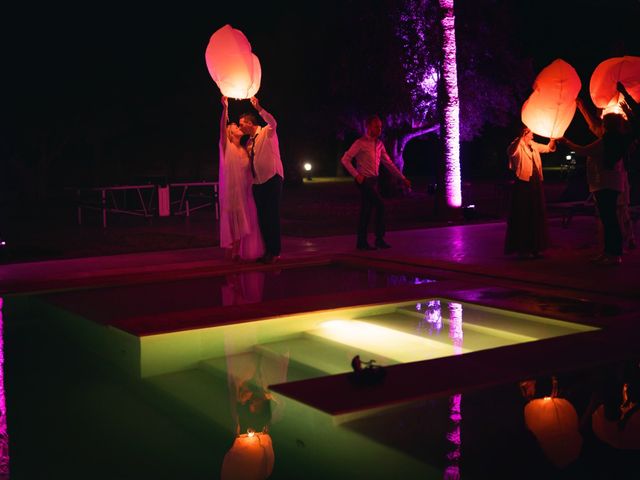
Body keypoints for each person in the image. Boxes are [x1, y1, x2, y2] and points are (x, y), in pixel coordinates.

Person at [559, 113, 631, 265]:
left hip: (604, 184)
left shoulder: (607, 141)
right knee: (609, 219)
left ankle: (613, 254)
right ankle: (609, 252)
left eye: (604, 122)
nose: (602, 124)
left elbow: (583, 150)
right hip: (611, 183)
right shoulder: (617, 140)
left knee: (609, 220)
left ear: (607, 125)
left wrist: (565, 141)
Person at [340, 115, 411, 250]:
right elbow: (345, 159)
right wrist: (356, 175)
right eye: (376, 126)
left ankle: (362, 242)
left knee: (366, 210)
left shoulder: (379, 145)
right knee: (380, 205)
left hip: (374, 181)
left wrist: (402, 178)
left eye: (380, 127)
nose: (379, 129)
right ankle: (379, 239)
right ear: (368, 126)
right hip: (364, 181)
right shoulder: (360, 142)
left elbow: (388, 163)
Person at [218, 96, 264, 261]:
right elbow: (222, 130)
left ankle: (236, 256)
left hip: (244, 194)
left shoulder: (245, 149)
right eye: (234, 126)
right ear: (230, 133)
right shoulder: (227, 147)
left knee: (241, 226)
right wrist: (225, 108)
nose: (237, 126)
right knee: (232, 226)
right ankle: (229, 258)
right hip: (231, 194)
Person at [239, 97, 284, 264]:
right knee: (263, 218)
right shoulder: (250, 142)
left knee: (272, 215)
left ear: (250, 123)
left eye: (242, 123)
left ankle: (276, 252)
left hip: (272, 178)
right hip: (258, 183)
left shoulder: (267, 131)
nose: (240, 126)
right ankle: (268, 252)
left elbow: (273, 121)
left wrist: (258, 108)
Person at [504, 127, 556, 258]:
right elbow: (511, 152)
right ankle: (523, 249)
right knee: (524, 214)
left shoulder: (533, 145)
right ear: (525, 133)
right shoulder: (517, 144)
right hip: (523, 183)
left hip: (535, 183)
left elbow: (548, 148)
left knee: (536, 213)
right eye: (530, 131)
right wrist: (519, 137)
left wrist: (552, 139)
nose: (533, 133)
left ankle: (536, 247)